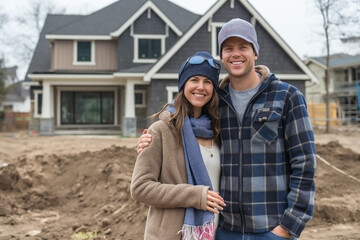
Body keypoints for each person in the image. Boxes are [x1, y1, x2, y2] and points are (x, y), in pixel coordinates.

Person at [137, 18, 316, 240]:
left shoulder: (287, 97)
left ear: (255, 52)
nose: (236, 54)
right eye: (228, 48)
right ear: (222, 56)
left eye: (243, 47)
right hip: (223, 229)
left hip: (270, 228)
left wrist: (289, 226)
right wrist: (148, 139)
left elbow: (305, 163)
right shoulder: (215, 103)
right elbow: (180, 115)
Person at [130, 51, 226, 240]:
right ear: (183, 85)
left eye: (208, 82)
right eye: (194, 80)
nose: (201, 87)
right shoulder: (161, 130)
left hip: (213, 233)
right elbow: (140, 188)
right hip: (170, 235)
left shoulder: (219, 131)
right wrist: (195, 195)